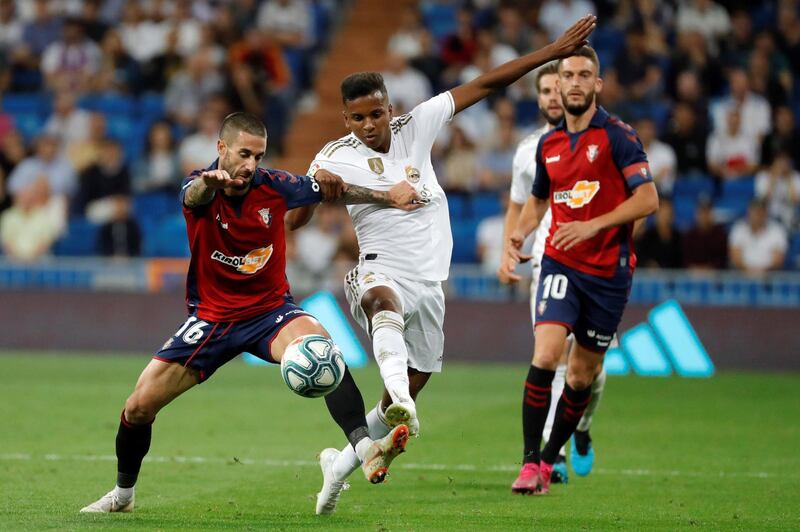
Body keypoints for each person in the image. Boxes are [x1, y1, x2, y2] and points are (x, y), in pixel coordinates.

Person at [296, 15, 598, 514]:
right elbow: (295, 219)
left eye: (376, 114)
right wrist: (316, 197)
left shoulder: (418, 125)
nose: (369, 125)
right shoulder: (332, 156)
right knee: (380, 303)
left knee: (420, 373)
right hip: (378, 267)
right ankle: (397, 396)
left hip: (430, 282)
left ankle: (340, 466)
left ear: (390, 109)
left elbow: (486, 82)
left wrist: (551, 52)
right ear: (345, 118)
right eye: (358, 118)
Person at [79, 112, 424, 514]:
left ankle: (365, 449)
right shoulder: (199, 185)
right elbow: (193, 196)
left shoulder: (275, 186)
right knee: (138, 407)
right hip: (212, 320)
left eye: (258, 156)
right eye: (244, 154)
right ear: (221, 148)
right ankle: (123, 496)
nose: (250, 165)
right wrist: (208, 186)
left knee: (322, 349)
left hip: (270, 312)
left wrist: (389, 196)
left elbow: (336, 189)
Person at [506, 45, 659, 495]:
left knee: (580, 376)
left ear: (598, 84)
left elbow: (648, 200)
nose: (573, 82)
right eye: (567, 75)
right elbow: (537, 200)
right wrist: (520, 233)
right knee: (546, 355)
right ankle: (530, 462)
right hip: (559, 262)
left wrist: (593, 225)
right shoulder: (548, 145)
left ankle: (552, 458)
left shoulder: (619, 136)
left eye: (583, 75)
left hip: (609, 272)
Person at [497, 60, 607, 488]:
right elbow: (518, 205)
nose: (552, 97)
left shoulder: (604, 140)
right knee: (551, 357)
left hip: (595, 265)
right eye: (543, 91)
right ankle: (551, 454)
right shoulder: (529, 150)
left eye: (555, 89)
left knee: (590, 374)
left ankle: (578, 428)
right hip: (547, 261)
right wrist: (511, 248)